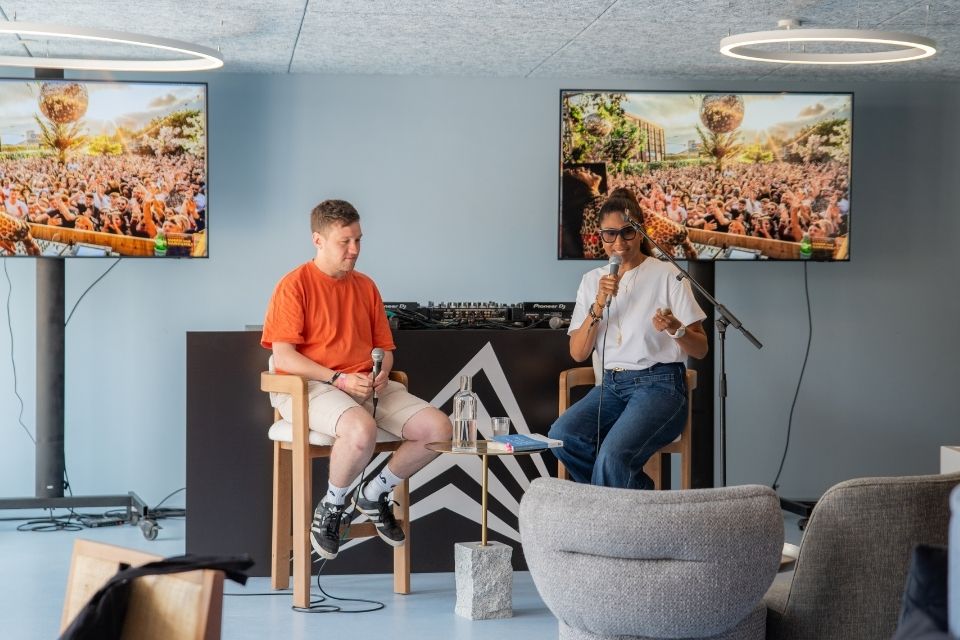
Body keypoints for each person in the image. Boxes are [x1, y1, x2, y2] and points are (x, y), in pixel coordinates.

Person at [261, 199, 451, 561]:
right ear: (318, 240)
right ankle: (332, 507)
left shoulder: (366, 286)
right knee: (361, 429)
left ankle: (376, 492)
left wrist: (381, 371)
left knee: (440, 429)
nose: (354, 250)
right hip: (310, 387)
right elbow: (283, 357)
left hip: (364, 385)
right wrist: (339, 378)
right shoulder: (293, 285)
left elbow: (385, 347)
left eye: (358, 241)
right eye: (344, 242)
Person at [548, 189, 709, 489]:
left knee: (612, 457)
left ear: (641, 231)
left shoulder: (667, 275)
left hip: (660, 387)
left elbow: (700, 349)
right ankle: (643, 502)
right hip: (611, 387)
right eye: (610, 234)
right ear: (600, 236)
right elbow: (578, 353)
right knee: (563, 436)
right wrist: (598, 303)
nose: (619, 243)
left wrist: (677, 329)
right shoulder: (590, 281)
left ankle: (614, 518)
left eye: (627, 232)